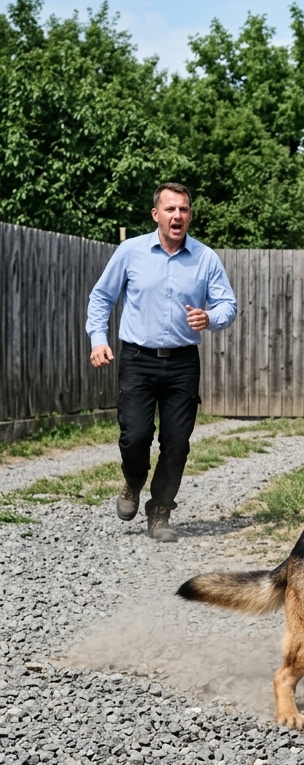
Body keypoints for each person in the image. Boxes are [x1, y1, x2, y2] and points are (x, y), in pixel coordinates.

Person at [87, 182, 237, 543]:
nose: (177, 216)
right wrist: (98, 339)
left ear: (190, 215)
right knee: (135, 435)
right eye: (170, 209)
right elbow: (101, 297)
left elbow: (227, 306)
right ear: (156, 214)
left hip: (183, 362)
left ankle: (160, 512)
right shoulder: (130, 251)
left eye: (184, 209)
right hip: (137, 359)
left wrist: (210, 318)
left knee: (177, 442)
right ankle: (133, 481)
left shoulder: (205, 258)